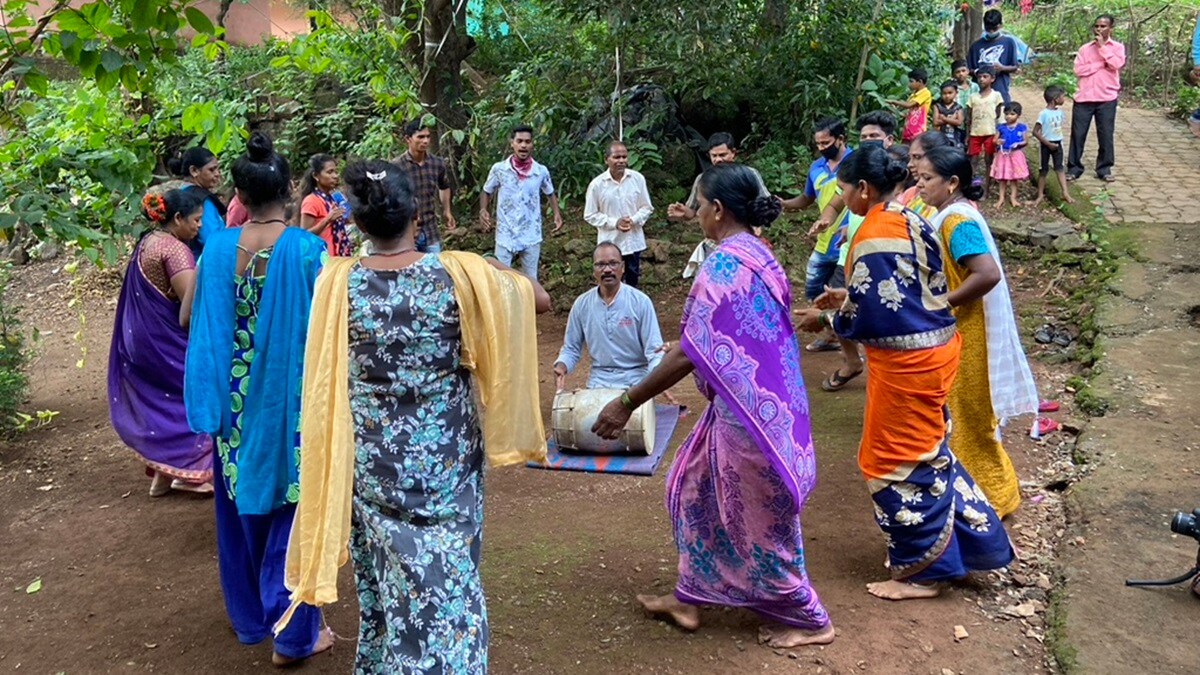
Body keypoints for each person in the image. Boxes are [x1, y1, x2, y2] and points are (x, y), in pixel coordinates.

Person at [279, 160, 550, 673]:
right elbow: (538, 298)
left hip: (373, 464)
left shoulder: (336, 286)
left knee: (388, 584)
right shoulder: (458, 275)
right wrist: (494, 269)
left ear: (356, 223)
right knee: (451, 582)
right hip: (446, 465)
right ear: (418, 214)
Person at [593, 163, 834, 648]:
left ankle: (809, 618)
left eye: (700, 207)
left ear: (718, 210)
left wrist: (626, 402)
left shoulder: (726, 264)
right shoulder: (758, 255)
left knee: (761, 520)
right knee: (692, 490)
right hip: (752, 405)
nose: (697, 215)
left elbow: (690, 348)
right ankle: (690, 597)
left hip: (754, 419)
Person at [794, 146, 1014, 600]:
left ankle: (924, 571)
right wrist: (847, 296)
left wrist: (831, 321)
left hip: (908, 364)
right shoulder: (910, 217)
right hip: (935, 352)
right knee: (930, 451)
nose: (842, 199)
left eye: (844, 190)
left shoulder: (874, 232)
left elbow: (882, 314)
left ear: (864, 189)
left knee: (892, 460)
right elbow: (901, 290)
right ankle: (970, 546)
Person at [184, 132, 332, 666]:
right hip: (289, 400)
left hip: (234, 402)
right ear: (291, 187)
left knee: (241, 504)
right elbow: (326, 329)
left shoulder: (216, 249)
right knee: (291, 509)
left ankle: (251, 618)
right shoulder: (307, 249)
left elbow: (193, 320)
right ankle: (294, 633)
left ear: (237, 194)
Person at [916, 146, 1039, 518]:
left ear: (952, 183)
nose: (919, 185)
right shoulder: (949, 216)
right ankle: (976, 496)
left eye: (926, 179)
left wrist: (943, 302)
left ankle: (993, 499)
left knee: (969, 418)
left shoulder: (957, 223)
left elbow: (986, 273)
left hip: (970, 335)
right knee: (960, 417)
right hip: (961, 330)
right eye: (917, 178)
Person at [108, 188, 213, 497]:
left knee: (163, 402)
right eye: (195, 220)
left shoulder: (147, 242)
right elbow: (191, 305)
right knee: (192, 394)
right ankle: (191, 473)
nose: (198, 227)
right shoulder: (176, 250)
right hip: (165, 341)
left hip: (140, 342)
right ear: (177, 218)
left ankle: (163, 476)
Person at [554, 242, 664, 391]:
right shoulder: (582, 304)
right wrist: (561, 366)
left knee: (636, 414)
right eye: (600, 265)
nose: (607, 270)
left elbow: (654, 350)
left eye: (613, 263)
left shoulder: (640, 302)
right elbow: (571, 348)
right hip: (599, 381)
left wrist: (657, 377)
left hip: (637, 381)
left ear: (623, 267)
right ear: (594, 270)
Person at [668, 132, 770, 278]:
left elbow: (766, 203)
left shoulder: (748, 175)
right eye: (714, 156)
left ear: (733, 153)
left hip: (746, 241)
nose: (718, 160)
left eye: (723, 155)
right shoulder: (704, 180)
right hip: (714, 243)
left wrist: (757, 223)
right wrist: (684, 212)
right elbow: (693, 212)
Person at [479, 124, 562, 280]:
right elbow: (486, 191)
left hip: (531, 233)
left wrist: (556, 214)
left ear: (532, 144)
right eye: (519, 141)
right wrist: (483, 210)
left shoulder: (540, 171)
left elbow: (550, 192)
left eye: (527, 141)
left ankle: (530, 305)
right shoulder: (499, 169)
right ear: (512, 143)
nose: (523, 145)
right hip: (505, 233)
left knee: (531, 279)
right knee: (501, 279)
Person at [584, 141, 654, 287]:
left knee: (633, 276)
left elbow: (647, 207)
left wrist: (633, 220)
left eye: (624, 157)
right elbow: (590, 214)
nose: (621, 161)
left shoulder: (637, 179)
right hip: (610, 242)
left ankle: (631, 307)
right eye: (616, 157)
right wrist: (614, 223)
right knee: (611, 279)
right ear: (606, 159)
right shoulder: (597, 185)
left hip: (633, 240)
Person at [1067, 14, 1126, 182]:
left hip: (1106, 97)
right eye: (1097, 26)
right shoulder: (1085, 49)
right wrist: (1100, 64)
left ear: (1110, 28)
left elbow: (1116, 64)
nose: (1099, 29)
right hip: (1084, 98)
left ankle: (1104, 168)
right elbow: (1079, 70)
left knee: (1106, 134)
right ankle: (1074, 167)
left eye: (1103, 26)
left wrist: (1103, 48)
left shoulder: (1117, 47)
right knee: (1078, 134)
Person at [392, 119, 456, 252]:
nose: (425, 141)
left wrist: (447, 211)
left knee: (434, 269)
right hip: (407, 232)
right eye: (420, 137)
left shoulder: (437, 163)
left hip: (430, 230)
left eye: (427, 137)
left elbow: (444, 186)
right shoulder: (396, 166)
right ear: (408, 139)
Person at [168, 145, 226, 255]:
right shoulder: (202, 201)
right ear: (194, 171)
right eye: (212, 170)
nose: (217, 174)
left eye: (218, 169)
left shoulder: (182, 193)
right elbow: (212, 240)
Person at [299, 154, 354, 256]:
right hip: (321, 260)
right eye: (329, 172)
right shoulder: (311, 201)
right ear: (316, 176)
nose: (335, 176)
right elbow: (304, 236)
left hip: (336, 258)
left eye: (335, 172)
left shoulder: (332, 199)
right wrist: (327, 220)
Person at [965, 66, 1004, 196]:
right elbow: (969, 117)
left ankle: (986, 189)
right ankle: (969, 187)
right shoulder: (973, 97)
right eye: (979, 77)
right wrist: (967, 134)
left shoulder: (996, 96)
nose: (981, 79)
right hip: (975, 133)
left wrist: (999, 133)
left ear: (992, 79)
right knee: (973, 160)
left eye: (985, 77)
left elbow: (998, 114)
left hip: (990, 133)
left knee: (989, 160)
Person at [1032, 86, 1074, 205]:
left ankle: (1065, 192)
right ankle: (1040, 195)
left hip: (1058, 143)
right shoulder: (1043, 114)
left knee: (1060, 168)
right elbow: (1035, 132)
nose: (1064, 99)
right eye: (1062, 97)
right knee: (1043, 170)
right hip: (1046, 145)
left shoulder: (1060, 112)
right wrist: (1047, 143)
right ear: (1055, 99)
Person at [968, 9, 1020, 104]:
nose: (991, 31)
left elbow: (1015, 66)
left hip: (1001, 91)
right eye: (988, 29)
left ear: (1001, 25)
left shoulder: (1009, 43)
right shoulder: (976, 46)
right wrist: (977, 72)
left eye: (994, 28)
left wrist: (1002, 68)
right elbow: (969, 69)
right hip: (979, 96)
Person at [899, 132, 950, 220]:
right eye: (910, 157)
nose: (910, 164)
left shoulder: (955, 205)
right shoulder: (911, 193)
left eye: (917, 157)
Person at [991, 102, 1030, 208]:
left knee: (1014, 178)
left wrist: (1018, 143)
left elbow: (1026, 141)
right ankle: (1001, 198)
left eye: (1012, 114)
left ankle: (1013, 198)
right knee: (1002, 178)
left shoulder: (1021, 127)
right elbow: (994, 140)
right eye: (1007, 113)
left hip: (1015, 154)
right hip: (1003, 154)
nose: (1009, 116)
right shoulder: (1001, 127)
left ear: (1018, 115)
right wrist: (998, 141)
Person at [889, 68, 933, 143]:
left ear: (920, 82)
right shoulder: (913, 95)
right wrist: (895, 111)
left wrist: (894, 102)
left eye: (911, 81)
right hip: (908, 130)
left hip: (917, 130)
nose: (909, 84)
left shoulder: (926, 93)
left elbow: (909, 105)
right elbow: (909, 113)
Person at [934, 80, 966, 149]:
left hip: (954, 136)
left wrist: (944, 119)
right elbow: (935, 122)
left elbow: (959, 122)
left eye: (950, 93)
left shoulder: (958, 107)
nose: (947, 96)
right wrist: (952, 119)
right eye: (944, 93)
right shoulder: (937, 106)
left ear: (956, 93)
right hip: (940, 136)